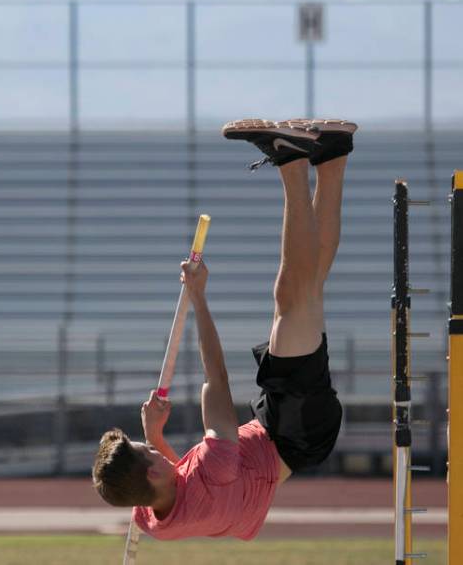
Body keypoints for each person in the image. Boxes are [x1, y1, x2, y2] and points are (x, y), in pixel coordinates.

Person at [91, 118, 357, 540]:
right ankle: (291, 159)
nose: (158, 454)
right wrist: (198, 295)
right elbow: (216, 380)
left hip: (282, 433)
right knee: (290, 297)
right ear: (154, 474)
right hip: (296, 429)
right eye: (150, 454)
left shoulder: (157, 519)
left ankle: (333, 156)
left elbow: (171, 484)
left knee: (309, 288)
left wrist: (153, 439)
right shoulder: (213, 469)